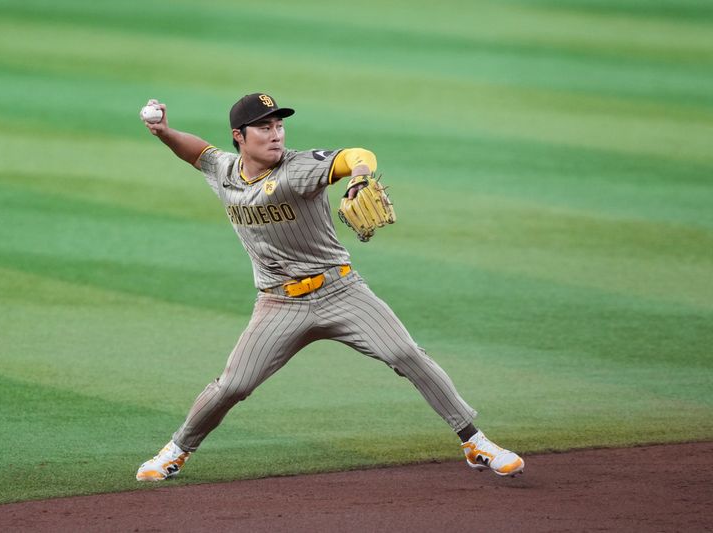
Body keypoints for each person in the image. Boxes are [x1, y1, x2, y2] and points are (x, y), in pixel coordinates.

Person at [136, 93, 524, 481]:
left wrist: (359, 176)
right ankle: (176, 451)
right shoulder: (224, 170)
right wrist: (164, 133)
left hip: (341, 292)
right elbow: (198, 153)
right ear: (239, 136)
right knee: (232, 385)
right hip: (278, 303)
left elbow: (356, 154)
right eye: (264, 127)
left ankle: (475, 443)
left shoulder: (299, 168)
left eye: (279, 125)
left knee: (406, 353)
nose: (276, 135)